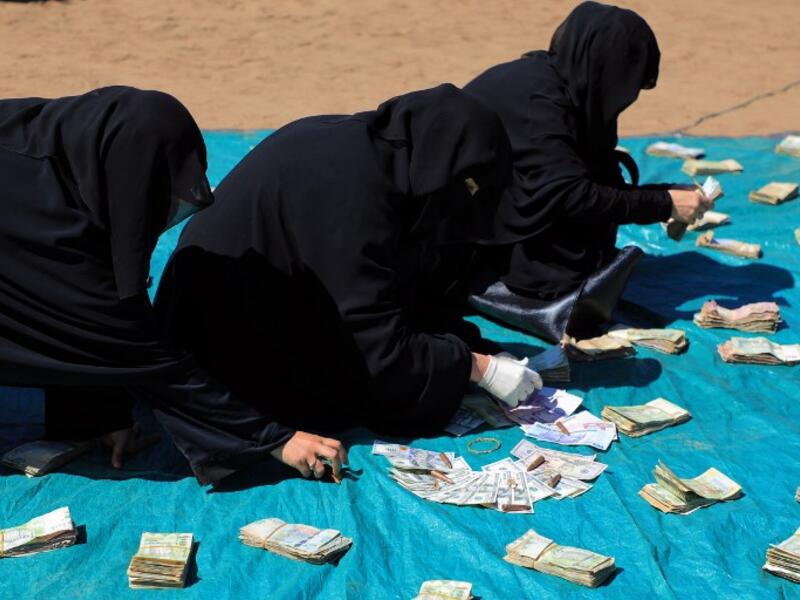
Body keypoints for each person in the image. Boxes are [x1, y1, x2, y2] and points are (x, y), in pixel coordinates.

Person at [154, 84, 543, 437]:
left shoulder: (384, 155)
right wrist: (474, 367)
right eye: (469, 185)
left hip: (250, 294)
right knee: (389, 400)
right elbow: (370, 341)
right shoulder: (359, 197)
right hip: (217, 341)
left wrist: (469, 345)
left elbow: (397, 282)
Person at [0, 86, 346, 483]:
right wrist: (275, 440)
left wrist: (99, 416)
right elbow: (127, 339)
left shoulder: (66, 154)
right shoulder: (44, 223)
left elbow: (68, 318)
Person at [463, 2, 714, 341]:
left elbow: (596, 171)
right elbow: (572, 196)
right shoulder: (538, 103)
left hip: (499, 196)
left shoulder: (571, 82)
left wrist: (669, 195)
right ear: (606, 71)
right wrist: (661, 204)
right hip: (453, 224)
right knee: (556, 271)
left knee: (588, 239)